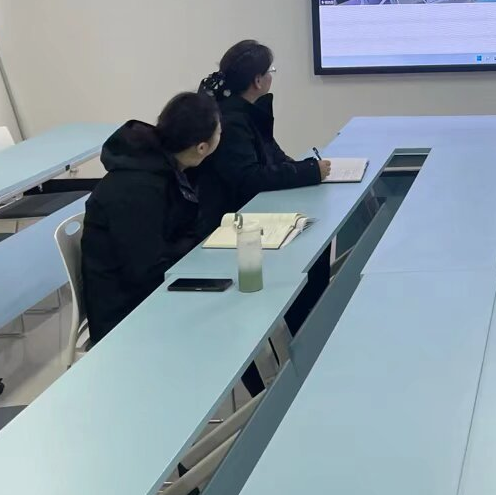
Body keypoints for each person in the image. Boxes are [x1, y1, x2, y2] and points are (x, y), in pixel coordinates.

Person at [81, 93, 221, 343]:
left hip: (153, 290)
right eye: (219, 131)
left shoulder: (167, 166)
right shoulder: (136, 189)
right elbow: (146, 271)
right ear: (201, 147)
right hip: (126, 315)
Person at [195, 40, 329, 237]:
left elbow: (272, 153)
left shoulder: (248, 110)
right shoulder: (231, 121)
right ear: (257, 81)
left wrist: (301, 169)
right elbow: (250, 178)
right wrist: (309, 171)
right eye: (269, 71)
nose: (271, 76)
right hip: (231, 221)